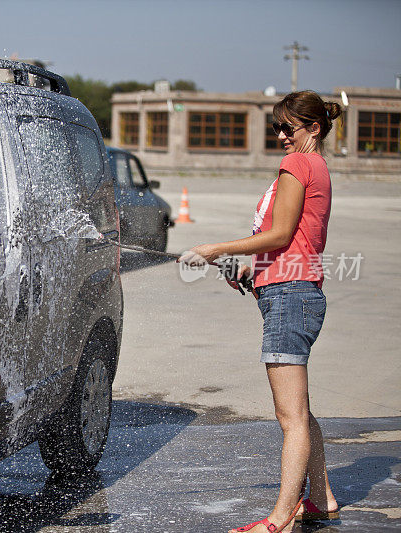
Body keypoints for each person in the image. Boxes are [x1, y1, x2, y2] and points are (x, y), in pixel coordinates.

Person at [179, 90, 341, 533]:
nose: (282, 135)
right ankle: (322, 498)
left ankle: (281, 518)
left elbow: (280, 232)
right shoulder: (317, 167)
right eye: (277, 127)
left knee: (290, 417)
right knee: (300, 412)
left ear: (315, 128)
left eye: (290, 127)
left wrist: (214, 249)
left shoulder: (298, 165)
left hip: (291, 296)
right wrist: (248, 270)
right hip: (293, 290)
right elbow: (294, 241)